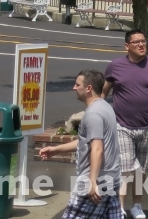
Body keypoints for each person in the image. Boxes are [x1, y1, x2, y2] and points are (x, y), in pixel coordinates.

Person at [103, 30, 148, 219]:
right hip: (122, 125)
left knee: (141, 170)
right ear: (127, 46)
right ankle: (119, 208)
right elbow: (103, 93)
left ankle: (137, 206)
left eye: (143, 41)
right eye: (137, 42)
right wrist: (99, 115)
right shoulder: (115, 66)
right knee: (125, 169)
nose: (141, 45)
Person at [40, 70, 122, 219]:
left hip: (96, 182)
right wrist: (56, 150)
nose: (74, 88)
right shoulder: (105, 106)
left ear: (89, 88)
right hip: (112, 179)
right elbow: (86, 141)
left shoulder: (93, 115)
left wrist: (92, 182)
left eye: (77, 85)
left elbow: (97, 149)